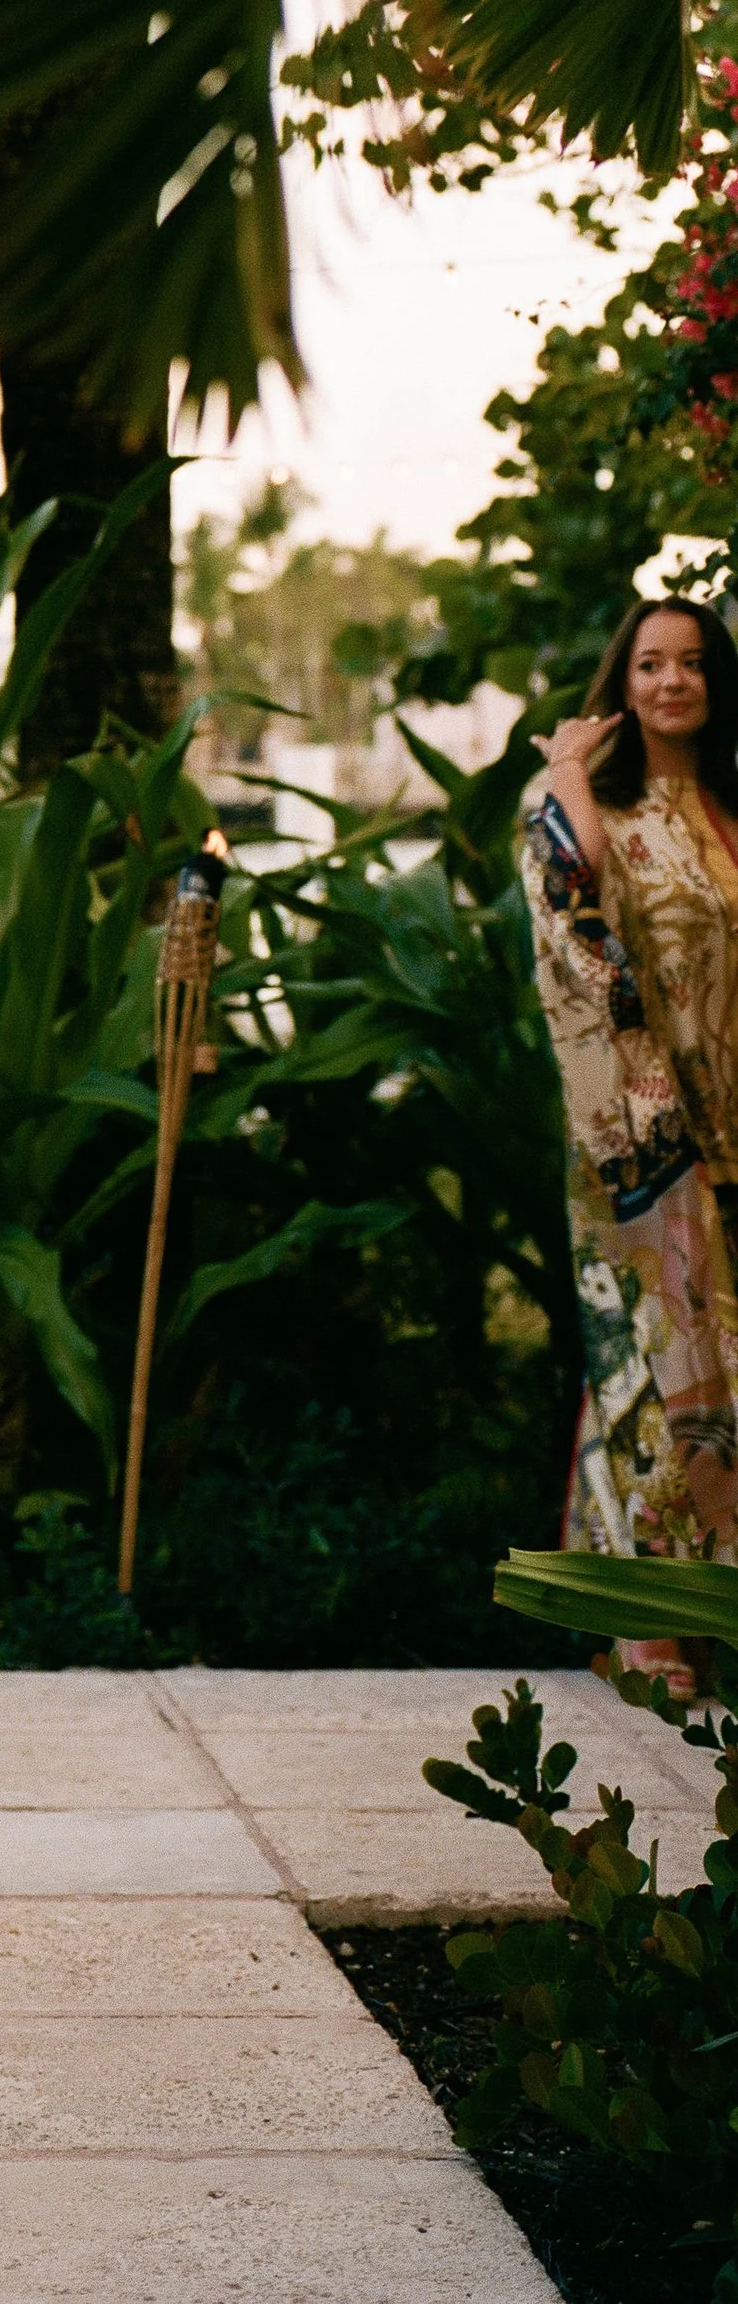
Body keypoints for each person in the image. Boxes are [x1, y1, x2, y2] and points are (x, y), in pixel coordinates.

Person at [528, 595, 738, 1688]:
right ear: (623, 679)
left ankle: (709, 1609)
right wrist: (568, 777)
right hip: (640, 1133)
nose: (672, 681)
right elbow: (577, 924)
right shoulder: (583, 804)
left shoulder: (725, 803)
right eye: (651, 662)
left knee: (729, 1373)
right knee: (662, 1367)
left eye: (693, 662)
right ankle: (649, 1623)